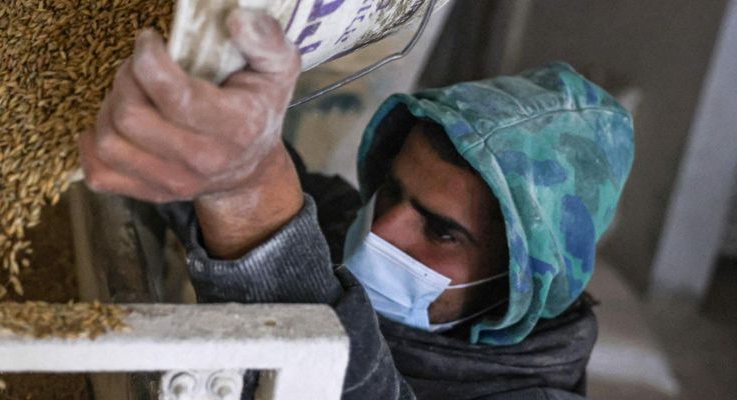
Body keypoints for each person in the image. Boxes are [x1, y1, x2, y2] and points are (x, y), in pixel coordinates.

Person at [79, 9, 634, 400]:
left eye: (441, 232)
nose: (380, 230)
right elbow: (211, 158)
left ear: (518, 283)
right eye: (391, 190)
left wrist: (249, 194)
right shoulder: (339, 220)